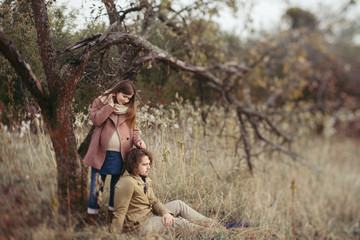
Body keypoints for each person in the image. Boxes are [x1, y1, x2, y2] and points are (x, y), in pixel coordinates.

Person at [111, 148, 248, 237]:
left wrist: (165, 212)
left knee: (179, 204)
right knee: (179, 222)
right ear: (134, 165)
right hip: (140, 226)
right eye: (145, 165)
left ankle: (219, 225)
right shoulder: (126, 183)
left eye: (149, 164)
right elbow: (119, 212)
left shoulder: (144, 178)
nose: (149, 167)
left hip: (149, 215)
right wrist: (115, 235)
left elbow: (154, 201)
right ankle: (216, 233)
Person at [83, 80, 146, 224]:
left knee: (116, 191)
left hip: (121, 157)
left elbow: (133, 130)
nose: (125, 100)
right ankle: (91, 221)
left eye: (128, 98)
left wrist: (138, 141)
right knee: (96, 190)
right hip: (100, 155)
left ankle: (111, 222)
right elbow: (97, 120)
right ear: (117, 92)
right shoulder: (100, 102)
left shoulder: (129, 109)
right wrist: (110, 106)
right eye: (124, 96)